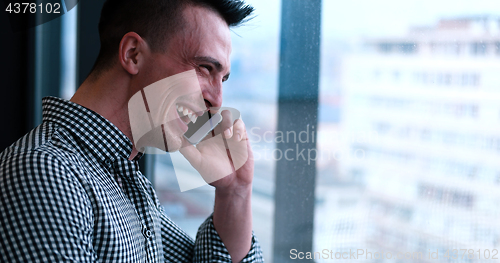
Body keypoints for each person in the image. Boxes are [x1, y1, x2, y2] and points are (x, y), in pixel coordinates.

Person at [0, 0, 264, 262]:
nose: (217, 100)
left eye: (223, 78)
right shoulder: (44, 170)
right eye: (205, 68)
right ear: (133, 54)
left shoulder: (124, 179)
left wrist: (235, 191)